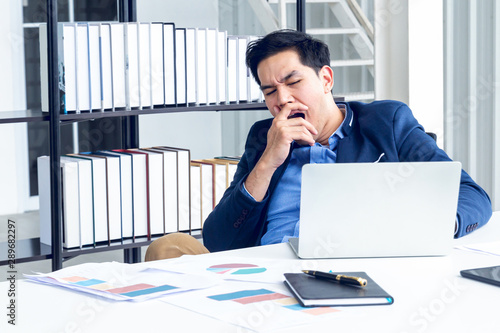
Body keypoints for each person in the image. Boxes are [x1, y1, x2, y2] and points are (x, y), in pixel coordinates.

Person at [145, 29, 492, 261]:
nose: (282, 99)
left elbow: (473, 197)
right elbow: (219, 240)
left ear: (326, 79)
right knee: (165, 247)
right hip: (262, 269)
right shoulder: (263, 136)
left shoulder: (385, 123)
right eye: (269, 91)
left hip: (352, 268)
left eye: (293, 82)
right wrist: (268, 161)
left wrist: (427, 226)